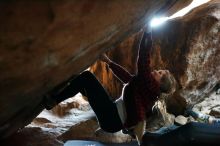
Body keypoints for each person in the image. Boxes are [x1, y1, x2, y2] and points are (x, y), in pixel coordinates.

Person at [43, 27, 176, 145]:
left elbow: (143, 60)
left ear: (160, 83)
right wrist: (108, 62)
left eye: (159, 73)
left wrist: (147, 32)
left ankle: (54, 100)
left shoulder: (149, 85)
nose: (156, 71)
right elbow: (127, 78)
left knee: (86, 78)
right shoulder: (148, 90)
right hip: (113, 119)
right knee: (83, 83)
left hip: (111, 117)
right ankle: (65, 92)